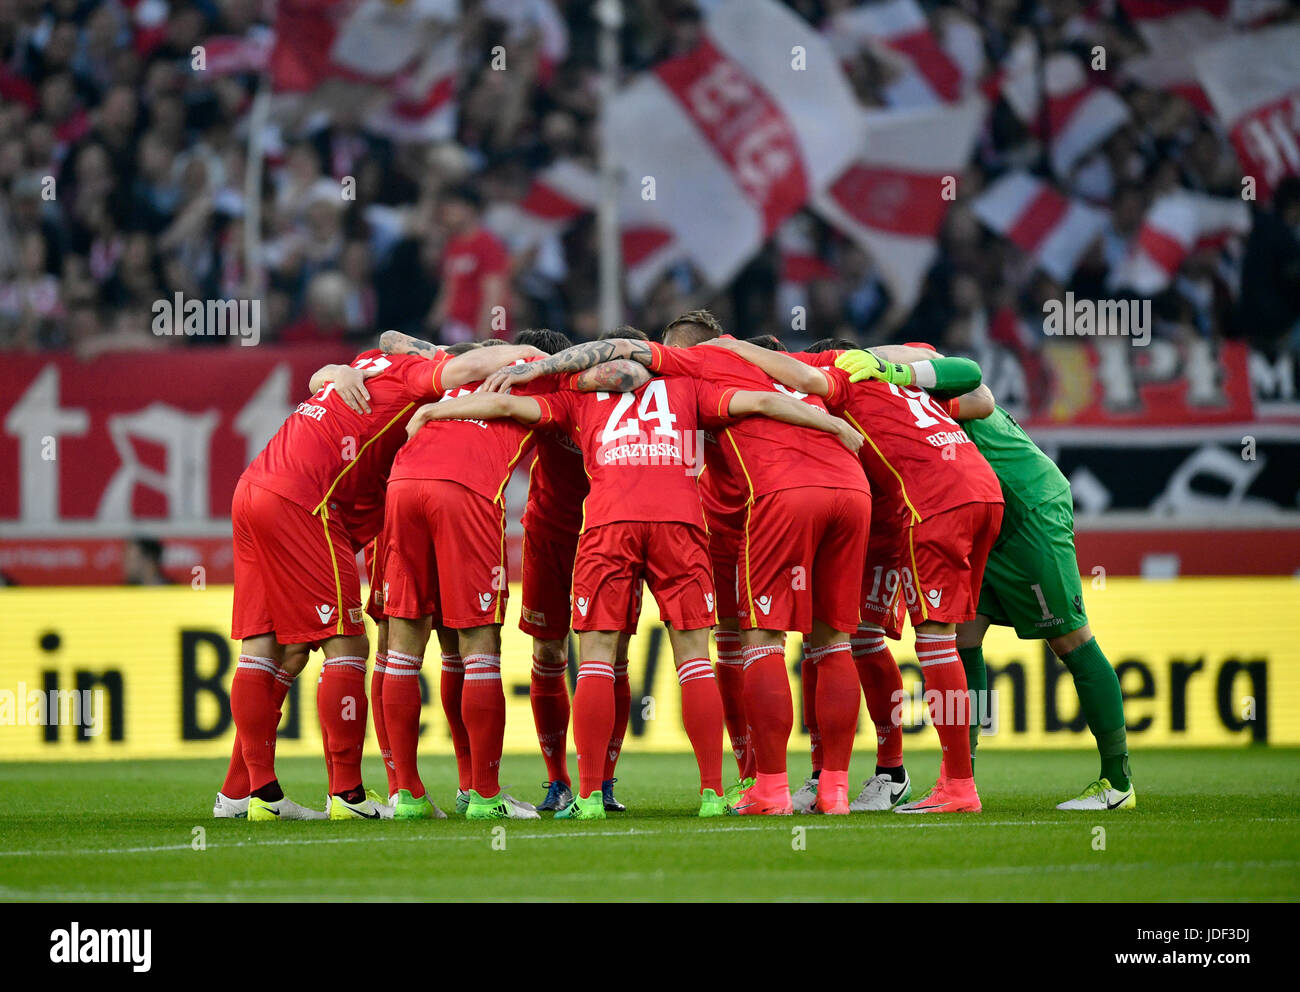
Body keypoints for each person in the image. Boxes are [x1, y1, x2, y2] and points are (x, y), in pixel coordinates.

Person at [422, 360, 863, 818]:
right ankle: (712, 795)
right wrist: (829, 422)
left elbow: (500, 403)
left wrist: (431, 413)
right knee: (695, 660)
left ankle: (589, 797)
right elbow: (769, 401)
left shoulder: (574, 396)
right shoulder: (688, 389)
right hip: (682, 522)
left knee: (596, 657)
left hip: (611, 522)